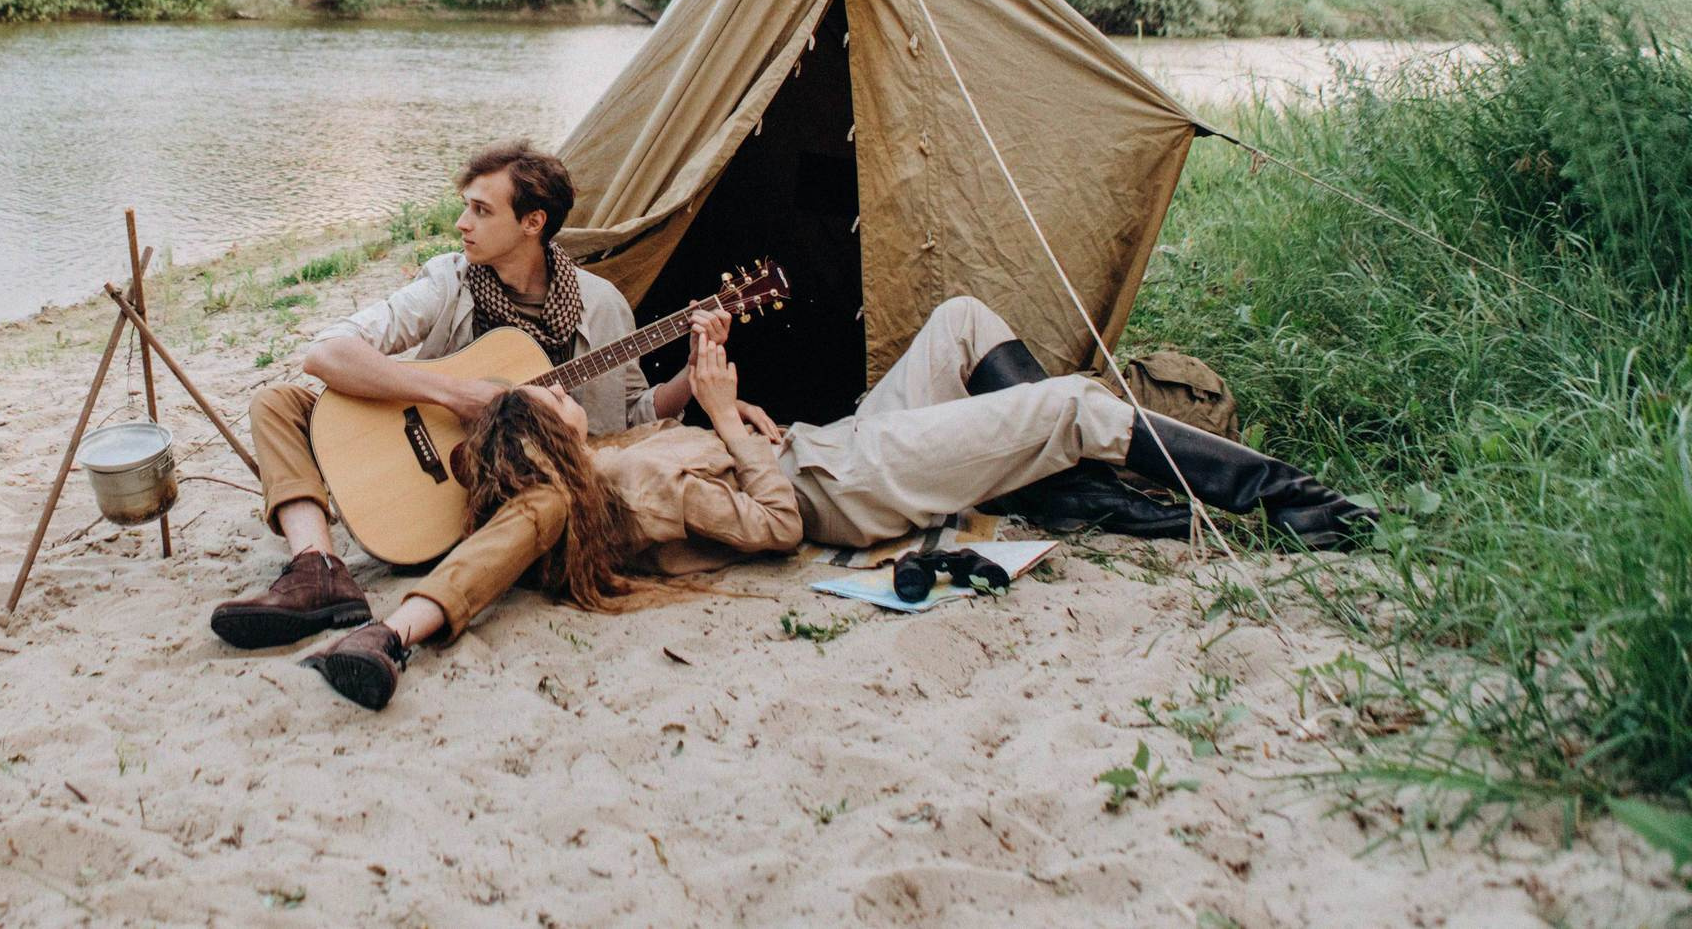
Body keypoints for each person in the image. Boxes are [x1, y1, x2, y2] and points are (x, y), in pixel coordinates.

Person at [299, 294, 1379, 710]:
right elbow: (771, 529)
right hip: (843, 488)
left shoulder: (611, 449)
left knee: (958, 320)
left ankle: (1086, 499)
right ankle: (1283, 499)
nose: (553, 394)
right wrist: (398, 632)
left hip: (827, 440)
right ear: (539, 440)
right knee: (1073, 405)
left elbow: (704, 440)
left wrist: (719, 392)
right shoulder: (584, 500)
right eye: (544, 401)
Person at [210, 141, 762, 650]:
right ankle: (317, 568)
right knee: (278, 401)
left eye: (481, 210)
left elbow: (632, 417)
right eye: (466, 206)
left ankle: (412, 621)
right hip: (432, 452)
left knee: (551, 503)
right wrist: (458, 395)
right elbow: (326, 353)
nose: (461, 223)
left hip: (513, 483)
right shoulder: (448, 282)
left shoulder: (603, 306)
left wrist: (695, 372)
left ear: (532, 223)